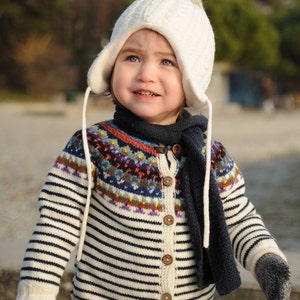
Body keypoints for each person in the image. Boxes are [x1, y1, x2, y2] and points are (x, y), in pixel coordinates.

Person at [17, 0, 291, 299]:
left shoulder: (210, 155)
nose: (146, 73)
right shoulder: (92, 147)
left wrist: (267, 260)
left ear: (192, 79)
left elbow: (238, 219)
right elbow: (56, 227)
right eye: (132, 57)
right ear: (110, 64)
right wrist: (36, 293)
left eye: (167, 62)